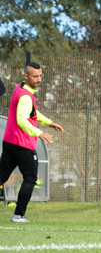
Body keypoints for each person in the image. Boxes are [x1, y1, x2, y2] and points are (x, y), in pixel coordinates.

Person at [0, 62, 65, 222]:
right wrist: (39, 132)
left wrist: (49, 122)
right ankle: (18, 215)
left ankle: (18, 214)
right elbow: (21, 119)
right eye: (35, 76)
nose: (39, 79)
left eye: (40, 76)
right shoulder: (25, 96)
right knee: (30, 178)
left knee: (1, 176)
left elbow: (32, 113)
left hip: (9, 142)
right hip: (22, 145)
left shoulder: (20, 88)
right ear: (26, 76)